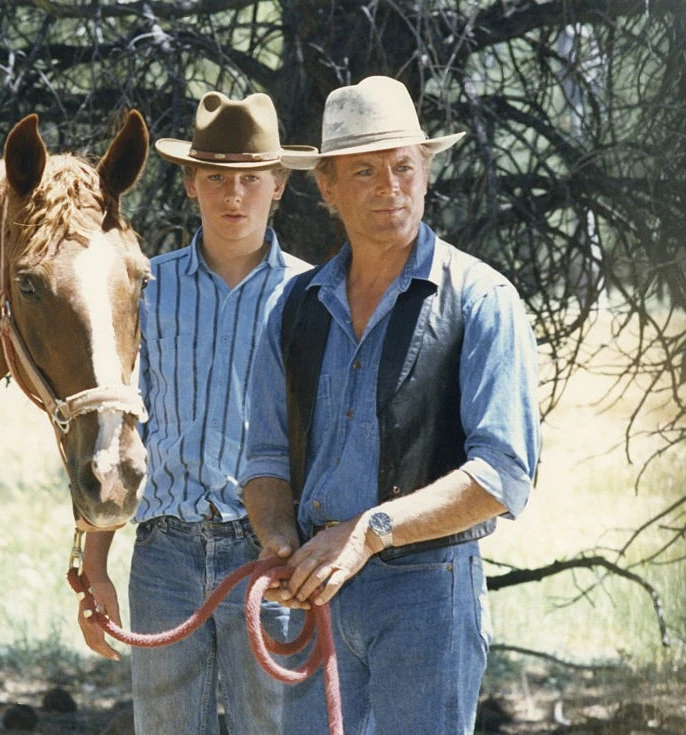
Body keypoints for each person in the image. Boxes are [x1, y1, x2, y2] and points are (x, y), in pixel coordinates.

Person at [240, 75, 540, 734]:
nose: (389, 186)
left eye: (404, 166)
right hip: (319, 591)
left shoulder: (481, 301)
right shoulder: (292, 307)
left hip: (427, 591)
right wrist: (281, 539)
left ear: (426, 171)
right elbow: (263, 458)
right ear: (326, 186)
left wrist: (371, 530)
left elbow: (501, 474)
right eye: (365, 170)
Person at [76, 91, 313, 734]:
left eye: (249, 180)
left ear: (278, 185)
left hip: (270, 556)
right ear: (190, 184)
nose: (233, 196)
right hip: (164, 554)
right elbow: (123, 428)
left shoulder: (311, 295)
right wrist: (95, 566)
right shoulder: (151, 287)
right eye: (215, 178)